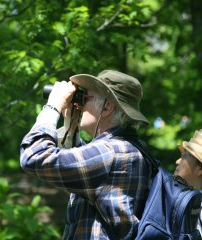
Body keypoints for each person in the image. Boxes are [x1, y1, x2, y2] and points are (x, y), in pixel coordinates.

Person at [20, 70, 155, 239]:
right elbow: (81, 165)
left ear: (107, 107)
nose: (80, 105)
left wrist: (52, 106)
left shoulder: (111, 152)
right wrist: (71, 125)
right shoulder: (129, 148)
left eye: (86, 98)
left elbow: (34, 156)